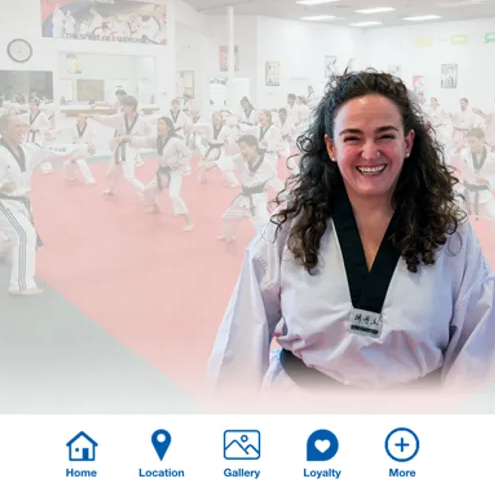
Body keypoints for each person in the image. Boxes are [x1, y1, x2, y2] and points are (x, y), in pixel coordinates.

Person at [208, 71, 495, 399]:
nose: (369, 152)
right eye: (353, 138)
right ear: (331, 147)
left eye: (385, 136)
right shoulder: (288, 229)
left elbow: (477, 346)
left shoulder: (451, 235)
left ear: (407, 143)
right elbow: (242, 338)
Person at [0, 112, 94, 295]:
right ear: (4, 130)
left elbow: (55, 150)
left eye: (22, 126)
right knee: (24, 235)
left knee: (12, 232)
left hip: (22, 202)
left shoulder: (29, 150)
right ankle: (21, 285)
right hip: (2, 202)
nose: (22, 130)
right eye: (16, 126)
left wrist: (83, 149)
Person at [130, 117, 194, 232]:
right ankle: (156, 208)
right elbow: (144, 141)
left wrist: (180, 164)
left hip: (174, 173)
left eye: (162, 124)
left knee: (174, 195)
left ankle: (189, 222)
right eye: (158, 123)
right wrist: (128, 139)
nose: (159, 126)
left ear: (168, 127)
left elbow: (188, 153)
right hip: (162, 172)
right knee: (148, 190)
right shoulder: (157, 140)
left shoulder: (175, 141)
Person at [215, 135, 273, 243]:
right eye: (240, 148)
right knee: (228, 218)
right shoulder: (241, 158)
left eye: (244, 147)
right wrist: (212, 164)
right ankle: (228, 237)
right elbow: (229, 161)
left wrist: (281, 194)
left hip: (258, 198)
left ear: (254, 146)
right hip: (244, 197)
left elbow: (273, 178)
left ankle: (268, 245)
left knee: (263, 224)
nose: (242, 151)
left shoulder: (266, 162)